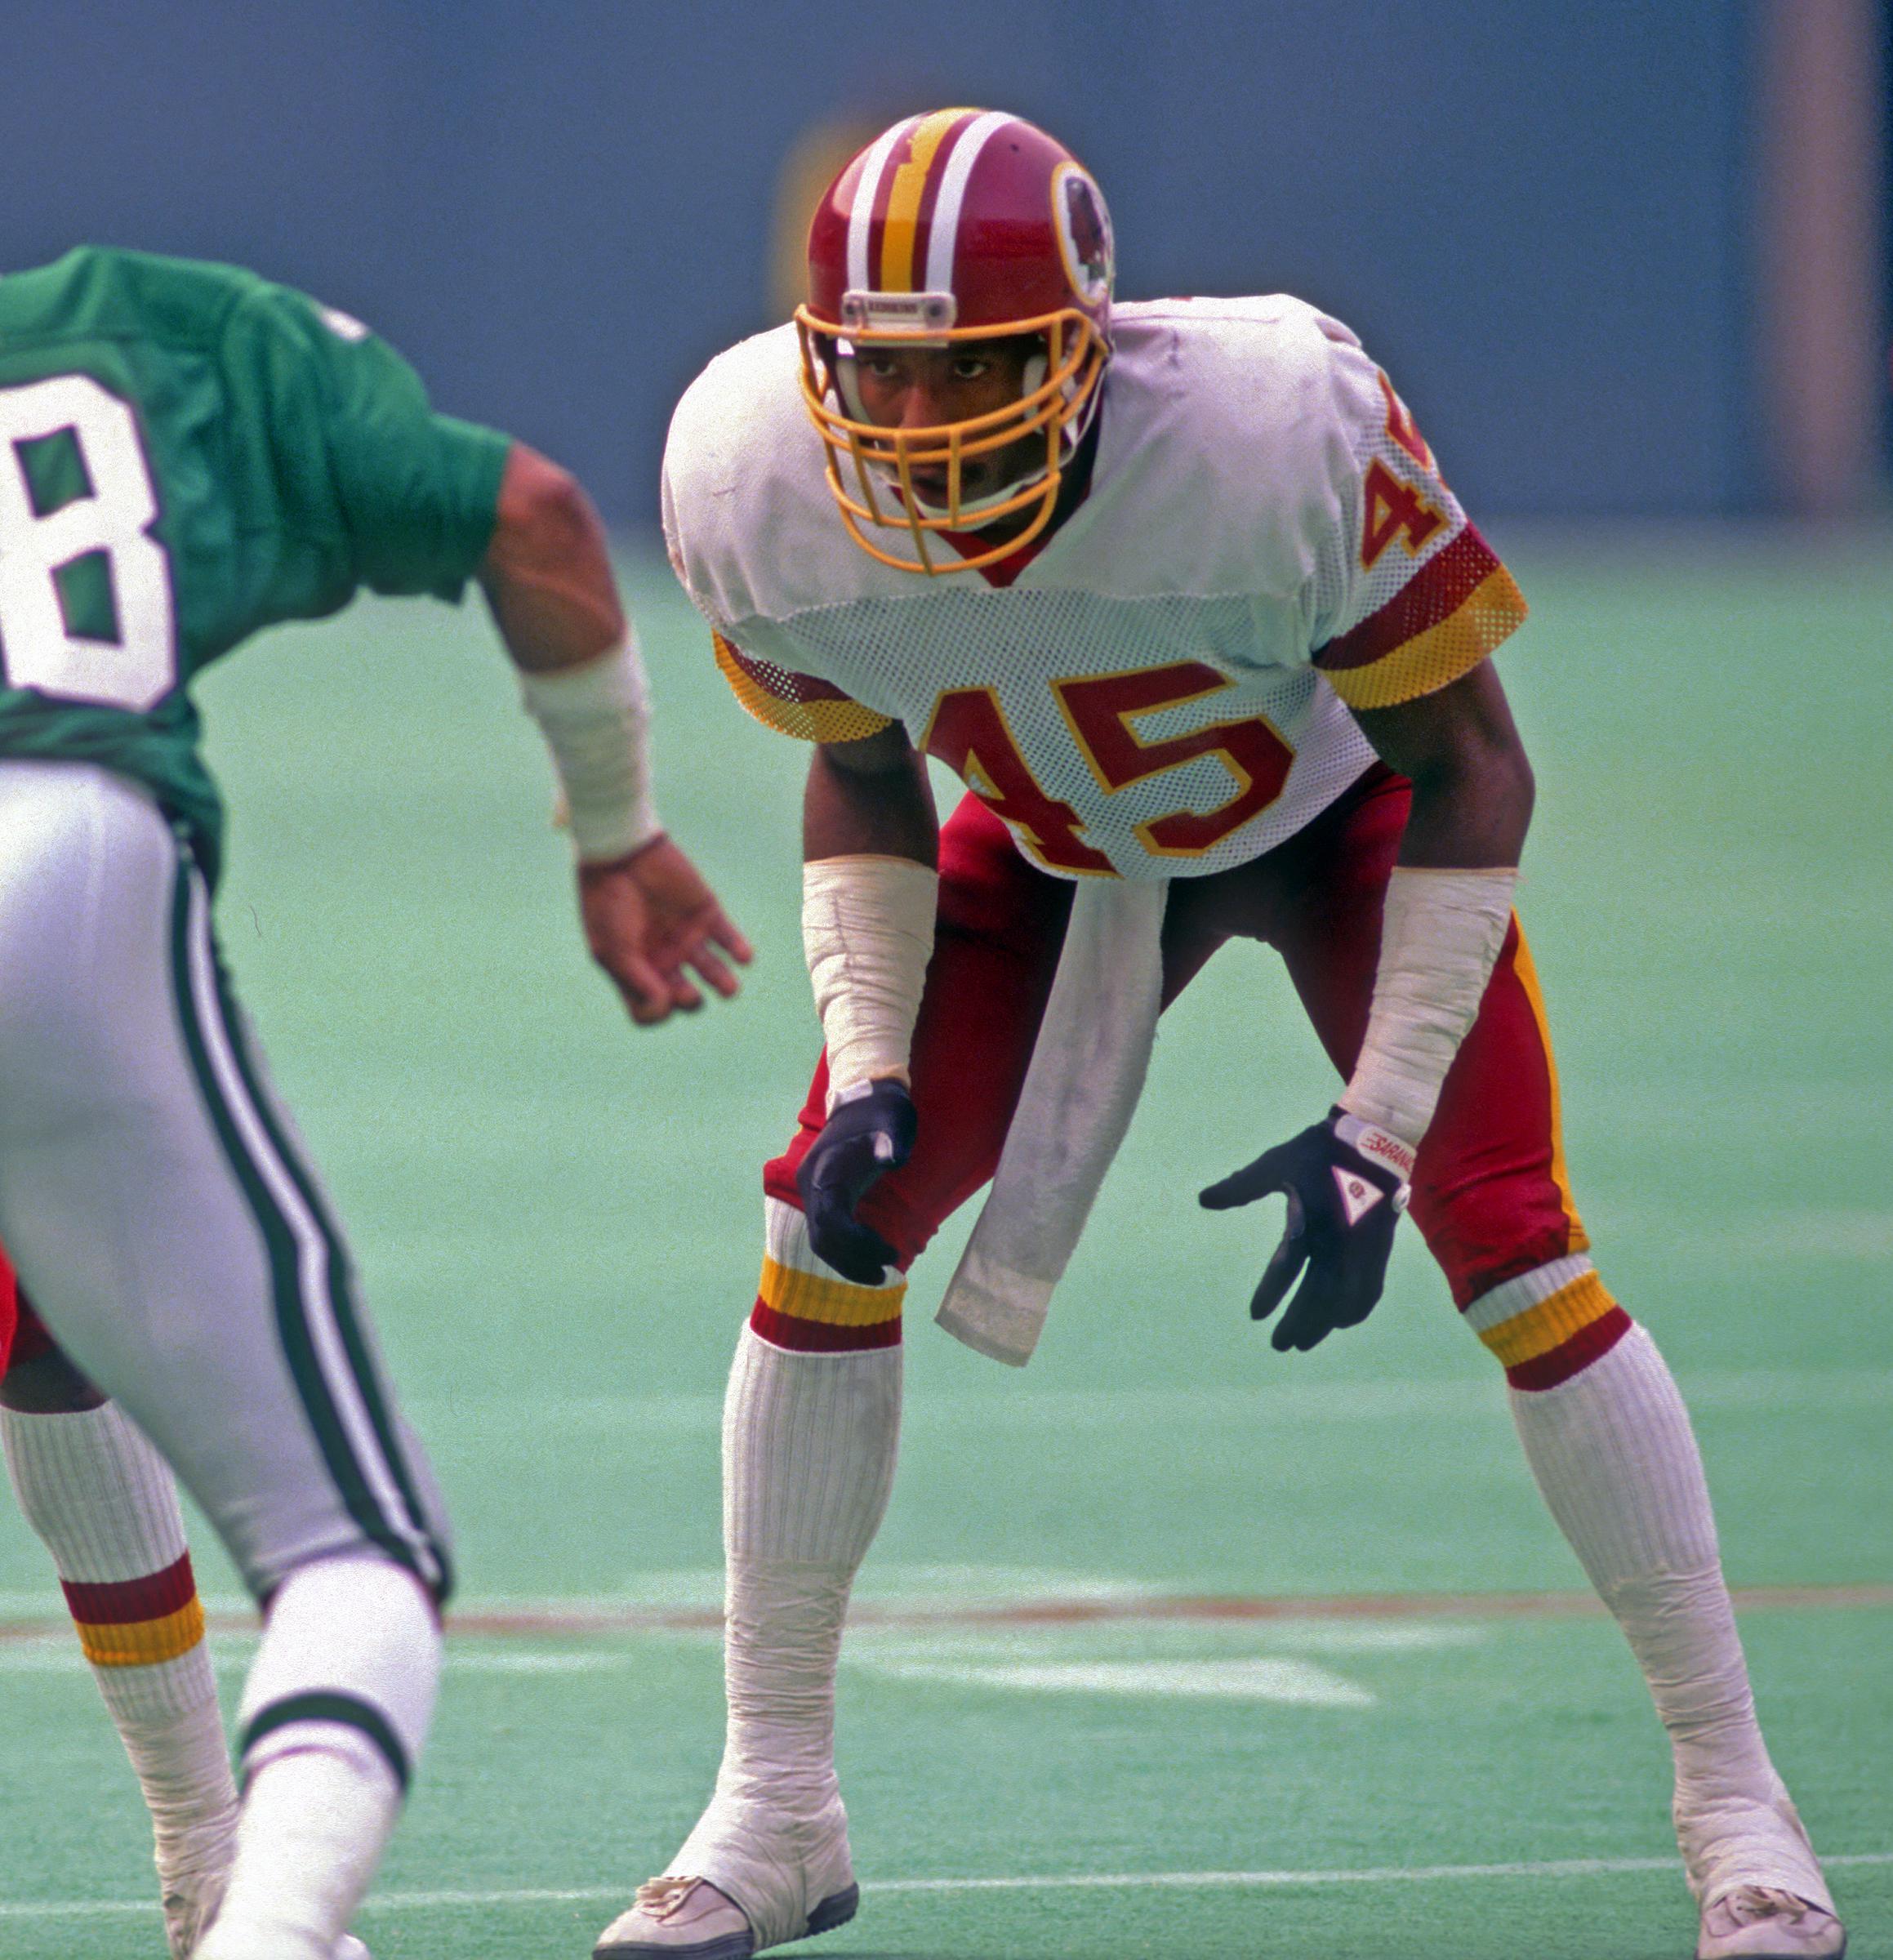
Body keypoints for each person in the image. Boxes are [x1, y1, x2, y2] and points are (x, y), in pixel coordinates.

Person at [595, 109, 1845, 1960]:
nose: (919, 428)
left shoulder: (1270, 435)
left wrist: (1379, 1124)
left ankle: (1739, 1807)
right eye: (880, 374)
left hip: (1341, 822)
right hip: (1034, 846)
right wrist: (869, 1064)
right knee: (820, 1225)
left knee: (1514, 1249)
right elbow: (854, 768)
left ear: (1084, 351)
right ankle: (774, 1811)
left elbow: (1471, 764)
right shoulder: (748, 470)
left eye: (974, 374)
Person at [0, 244, 749, 1960]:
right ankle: (257, 1924)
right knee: (354, 1548)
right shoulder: (178, 333)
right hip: (52, 858)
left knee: (48, 1325)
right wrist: (618, 827)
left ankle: (207, 1869)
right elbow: (540, 514)